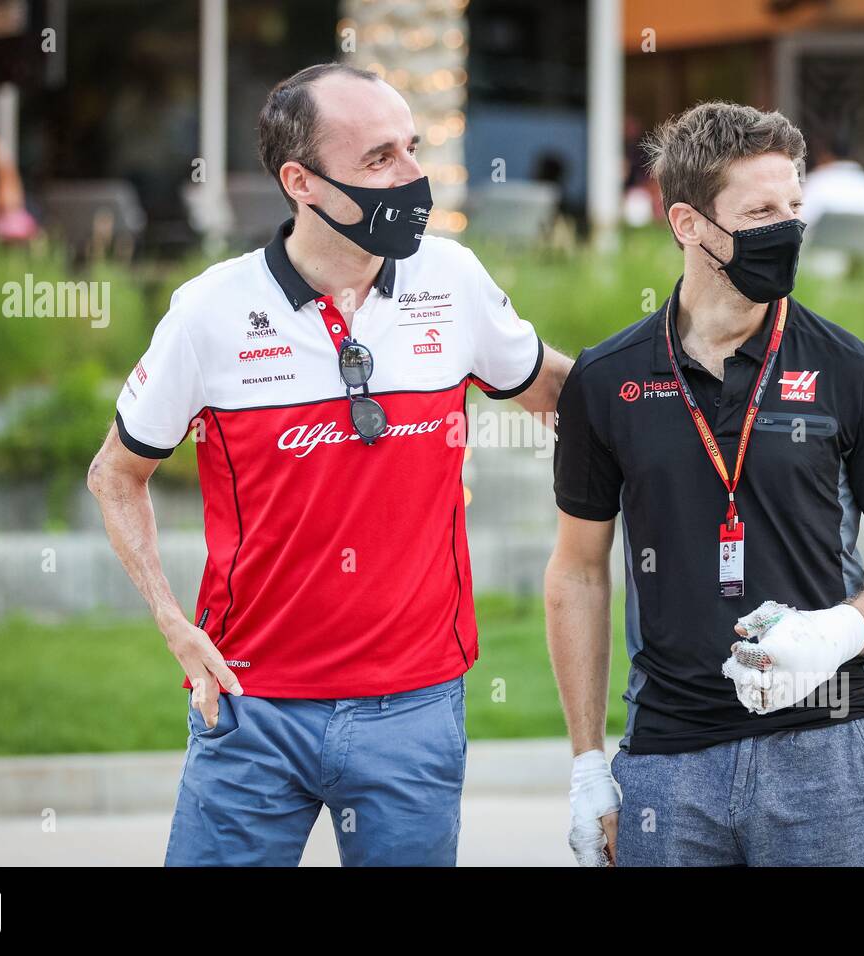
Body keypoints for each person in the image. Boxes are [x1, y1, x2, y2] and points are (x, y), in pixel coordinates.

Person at [87, 62, 570, 867]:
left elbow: (560, 392)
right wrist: (173, 624)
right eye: (380, 159)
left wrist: (683, 378)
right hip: (252, 705)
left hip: (415, 703)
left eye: (413, 149)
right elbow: (115, 473)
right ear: (300, 181)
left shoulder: (451, 280)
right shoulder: (210, 312)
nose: (415, 178)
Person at [545, 101, 864, 867]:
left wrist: (837, 633)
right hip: (667, 762)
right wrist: (587, 762)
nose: (788, 228)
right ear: (688, 223)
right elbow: (577, 570)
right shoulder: (608, 378)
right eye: (761, 211)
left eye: (795, 205)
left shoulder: (852, 370)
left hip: (826, 754)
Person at [799, 121, 864, 229]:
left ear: (824, 154)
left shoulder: (816, 182)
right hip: (860, 246)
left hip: (821, 245)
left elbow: (801, 222)